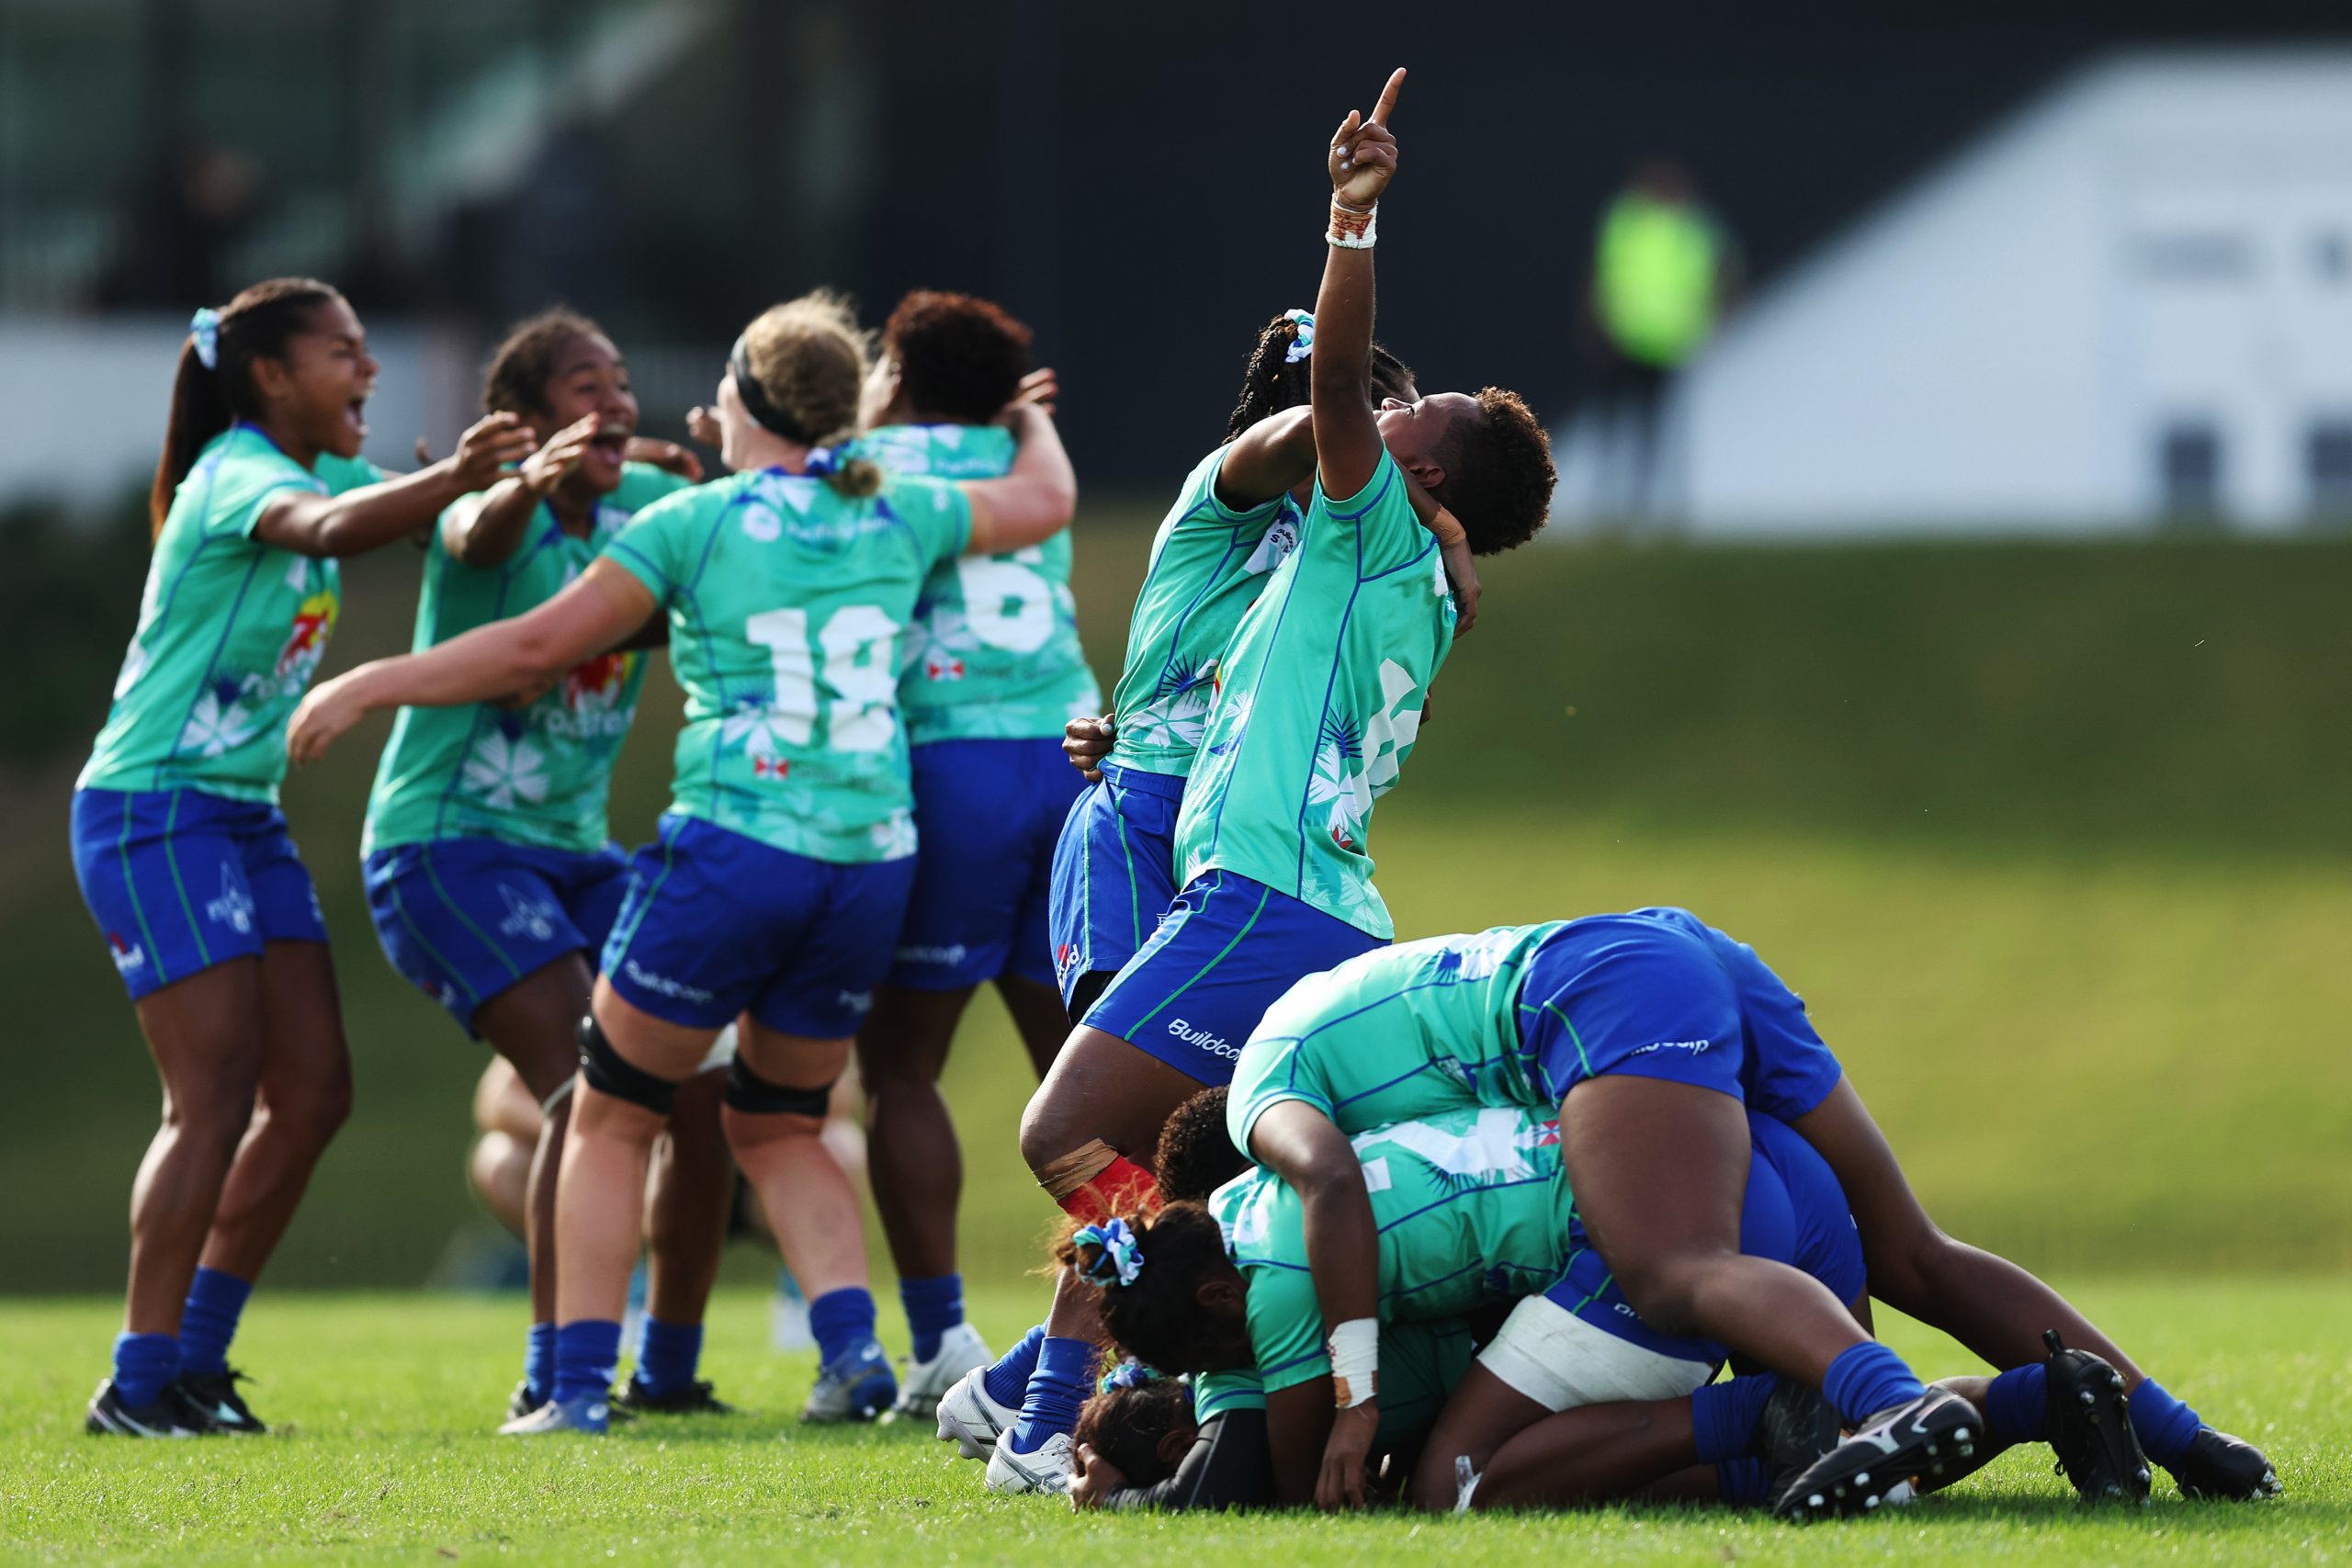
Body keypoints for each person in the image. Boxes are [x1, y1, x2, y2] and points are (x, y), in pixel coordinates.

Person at [286, 291, 1079, 1435]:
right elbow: (1044, 500)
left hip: (738, 847)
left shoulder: (695, 524)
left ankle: (568, 1391)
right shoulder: (896, 507)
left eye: (720, 384)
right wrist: (1024, 418)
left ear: (749, 402)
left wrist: (365, 682)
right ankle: (853, 1355)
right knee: (780, 1122)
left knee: (611, 1110)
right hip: (871, 860)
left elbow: (537, 643)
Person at [996, 66, 1557, 1494]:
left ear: (1415, 473)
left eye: (1401, 423)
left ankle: (1191, 1327)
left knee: (1066, 1132)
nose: (1377, 420)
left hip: (1263, 900)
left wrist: (1350, 221)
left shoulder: (1377, 527)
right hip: (1284, 894)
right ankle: (1181, 1360)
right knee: (1199, 1162)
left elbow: (1338, 413)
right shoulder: (1389, 557)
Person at [1223, 916, 2280, 1515]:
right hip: (1676, 949)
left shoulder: (1256, 1093)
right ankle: (2188, 1443)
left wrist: (1356, 1397)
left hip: (1602, 987)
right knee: (1913, 1250)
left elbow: (1327, 1182)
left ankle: (1888, 1401)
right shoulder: (1325, 1016)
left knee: (1668, 1268)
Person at [934, 308, 1422, 1481]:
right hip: (1140, 833)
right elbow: (1304, 442)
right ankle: (1047, 1417)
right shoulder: (1240, 484)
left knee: (1188, 1164)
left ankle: (1010, 1393)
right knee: (1120, 1148)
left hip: (1229, 851)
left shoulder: (1356, 545)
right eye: (1376, 409)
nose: (1388, 441)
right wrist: (1354, 401)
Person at [71, 277, 535, 1436]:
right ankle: (137, 1380)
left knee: (316, 1092)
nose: (367, 372)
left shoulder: (316, 468)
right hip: (153, 811)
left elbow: (453, 532)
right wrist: (454, 476)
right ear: (271, 376)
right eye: (345, 353)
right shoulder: (238, 472)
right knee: (211, 1097)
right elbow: (335, 532)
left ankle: (194, 1358)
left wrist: (535, 478)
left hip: (240, 814)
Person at [357, 307, 738, 1421]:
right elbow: (472, 537)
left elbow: (728, 548)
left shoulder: (643, 510)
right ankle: (553, 1377)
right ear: (520, 422)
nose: (615, 400)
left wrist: (738, 466)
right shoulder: (490, 511)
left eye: (622, 382)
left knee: (714, 1089)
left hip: (575, 856)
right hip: (448, 848)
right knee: (589, 1088)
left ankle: (666, 1371)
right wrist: (525, 481)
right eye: (587, 385)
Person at [847, 291, 1093, 1416]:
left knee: (901, 1068)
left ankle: (942, 1333)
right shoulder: (1022, 449)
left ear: (894, 372)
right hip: (1073, 766)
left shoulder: (864, 456)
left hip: (948, 764)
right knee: (1091, 1073)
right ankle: (1133, 1309)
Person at [1582, 157, 1740, 523]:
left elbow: (1725, 272)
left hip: (1663, 343)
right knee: (1617, 424)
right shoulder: (1628, 221)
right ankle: (1611, 504)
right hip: (1624, 337)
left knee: (1651, 427)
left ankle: (1643, 508)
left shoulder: (1690, 226)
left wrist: (1717, 317)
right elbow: (1601, 269)